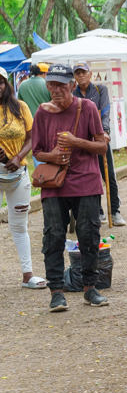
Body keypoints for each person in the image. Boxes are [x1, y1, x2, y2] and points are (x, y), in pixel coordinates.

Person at [32, 64, 110, 312]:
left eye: (61, 85)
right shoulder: (42, 113)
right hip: (54, 183)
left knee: (88, 234)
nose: (56, 90)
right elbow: (36, 152)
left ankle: (90, 287)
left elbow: (102, 147)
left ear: (73, 86)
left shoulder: (86, 108)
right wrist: (53, 156)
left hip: (86, 180)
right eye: (51, 85)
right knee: (53, 235)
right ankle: (56, 291)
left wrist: (76, 142)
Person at [0, 67, 45, 289]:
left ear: (6, 83)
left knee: (19, 226)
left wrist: (18, 157)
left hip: (18, 174)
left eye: (0, 82)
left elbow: (32, 135)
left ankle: (28, 275)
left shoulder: (20, 107)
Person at [70, 63, 125, 227]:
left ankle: (115, 211)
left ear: (90, 74)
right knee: (88, 176)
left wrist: (105, 132)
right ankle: (98, 211)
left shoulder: (101, 90)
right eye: (77, 73)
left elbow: (106, 111)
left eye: (83, 72)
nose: (81, 76)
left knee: (108, 176)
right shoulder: (73, 93)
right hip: (81, 142)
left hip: (99, 139)